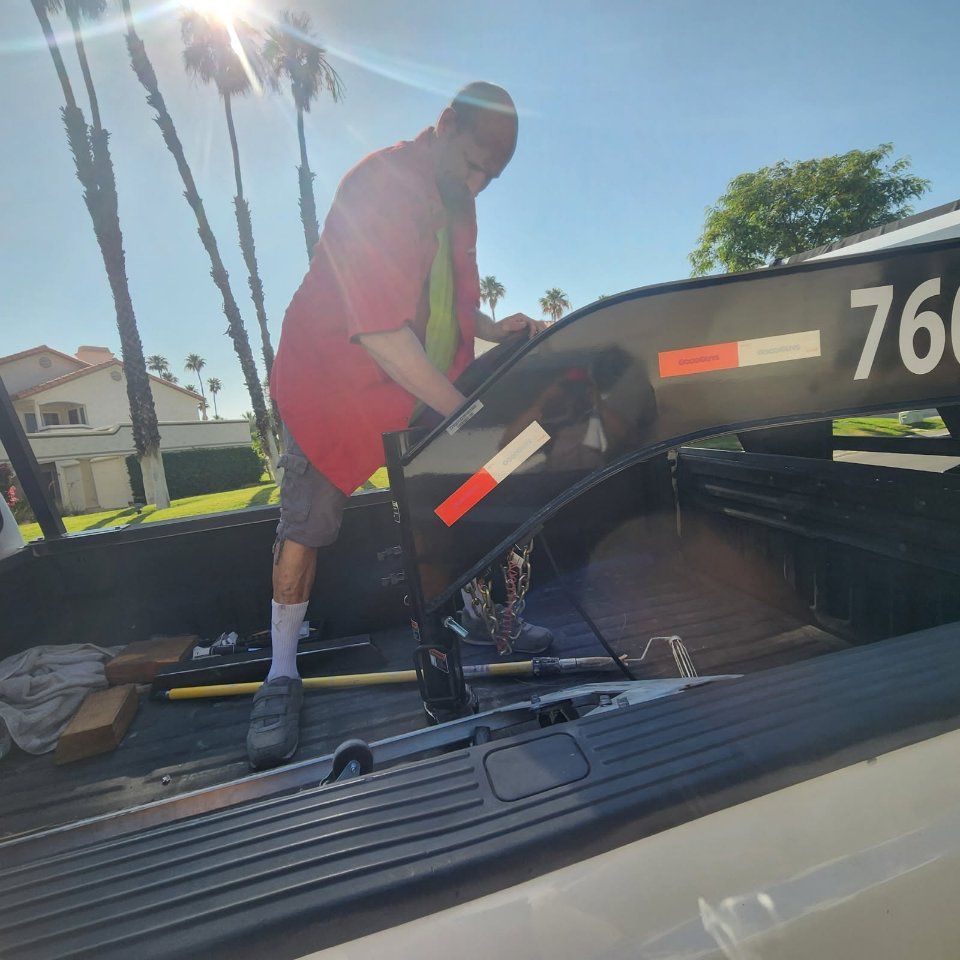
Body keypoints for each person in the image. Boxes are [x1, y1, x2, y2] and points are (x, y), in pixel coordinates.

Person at [248, 82, 553, 770]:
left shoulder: (457, 199)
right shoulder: (381, 186)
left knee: (457, 501)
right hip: (332, 385)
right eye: (473, 164)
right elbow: (382, 328)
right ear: (444, 125)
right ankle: (281, 673)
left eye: (490, 177)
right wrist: (462, 413)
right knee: (306, 526)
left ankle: (480, 616)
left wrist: (489, 328)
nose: (478, 183)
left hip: (411, 385)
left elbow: (432, 293)